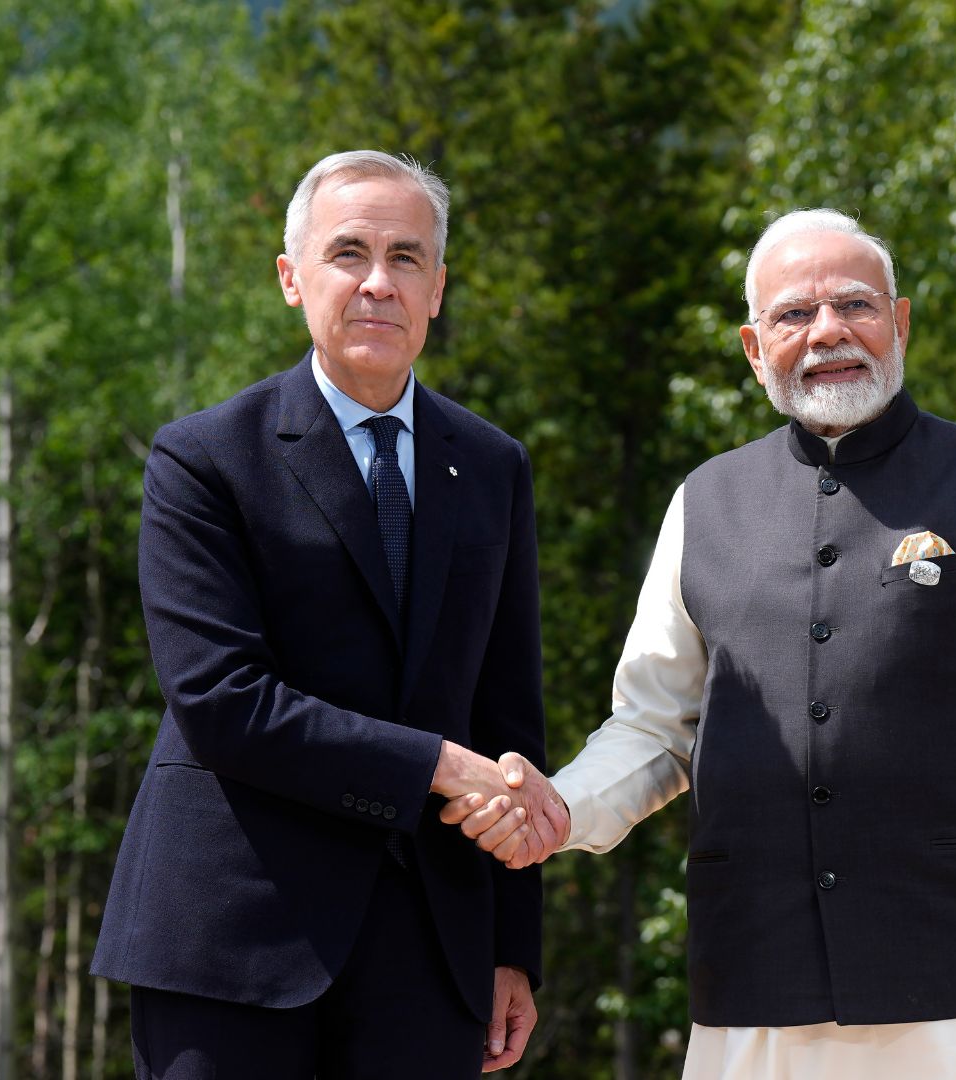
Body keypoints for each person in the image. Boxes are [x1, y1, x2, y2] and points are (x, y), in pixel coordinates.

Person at [449, 209, 956, 1079]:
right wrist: (558, 811)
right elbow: (653, 729)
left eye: (855, 305)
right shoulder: (702, 504)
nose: (827, 332)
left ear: (899, 324)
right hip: (753, 1002)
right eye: (793, 314)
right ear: (753, 348)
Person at [90, 150, 567, 1079]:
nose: (378, 282)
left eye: (407, 257)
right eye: (349, 252)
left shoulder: (494, 465)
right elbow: (223, 700)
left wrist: (514, 943)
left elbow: (510, 714)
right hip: (232, 941)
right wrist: (430, 763)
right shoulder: (203, 459)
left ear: (438, 287)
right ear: (291, 278)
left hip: (431, 949)